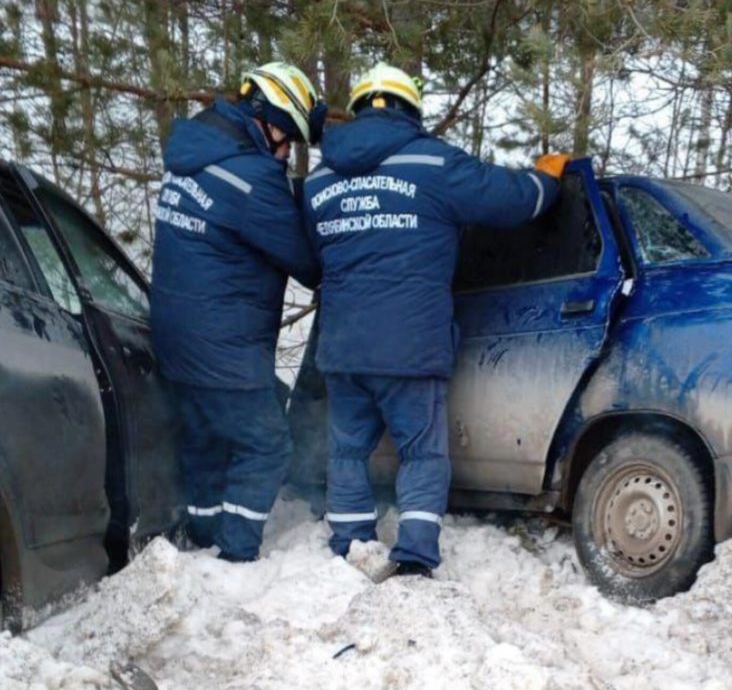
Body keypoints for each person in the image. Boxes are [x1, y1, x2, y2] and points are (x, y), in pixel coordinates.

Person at [304, 61, 569, 577]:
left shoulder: (318, 182)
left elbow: (315, 255)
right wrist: (546, 179)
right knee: (421, 454)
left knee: (347, 452)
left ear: (357, 111)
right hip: (410, 344)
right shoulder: (434, 162)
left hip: (344, 346)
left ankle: (349, 547)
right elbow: (514, 201)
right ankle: (415, 555)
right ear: (411, 110)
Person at [151, 61, 328, 562]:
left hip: (176, 339)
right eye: (288, 139)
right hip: (223, 346)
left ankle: (203, 541)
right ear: (269, 121)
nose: (286, 152)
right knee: (267, 444)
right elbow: (307, 262)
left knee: (206, 442)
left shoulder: (192, 158)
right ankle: (234, 556)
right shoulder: (251, 178)